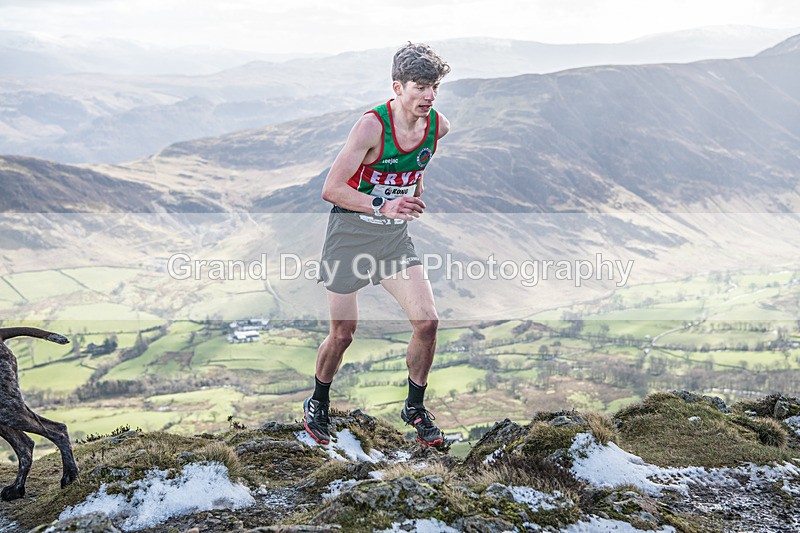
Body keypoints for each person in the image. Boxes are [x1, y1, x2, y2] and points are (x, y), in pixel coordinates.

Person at [303, 42, 451, 447]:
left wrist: (411, 196)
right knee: (343, 333)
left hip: (391, 239)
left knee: (428, 322)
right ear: (397, 87)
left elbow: (416, 167)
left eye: (434, 86)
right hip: (349, 236)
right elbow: (331, 189)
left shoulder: (438, 126)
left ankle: (415, 409)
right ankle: (318, 402)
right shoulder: (372, 127)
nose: (429, 95)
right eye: (420, 86)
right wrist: (386, 203)